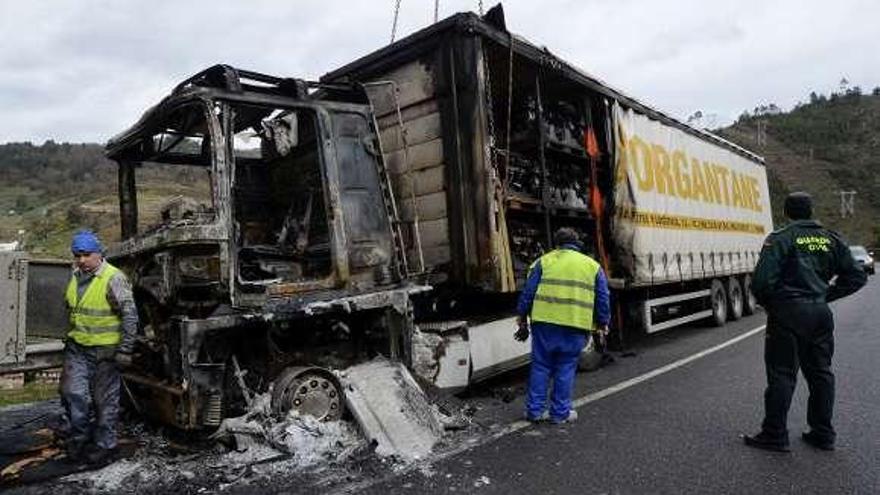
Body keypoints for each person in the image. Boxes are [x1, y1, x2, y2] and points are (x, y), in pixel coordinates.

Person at [743, 192, 866, 452]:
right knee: (821, 373)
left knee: (782, 374)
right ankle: (823, 433)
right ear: (811, 211)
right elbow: (857, 276)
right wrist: (825, 295)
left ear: (787, 212)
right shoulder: (832, 239)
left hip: (788, 314)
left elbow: (761, 282)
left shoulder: (781, 238)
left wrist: (774, 305)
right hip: (820, 314)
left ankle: (774, 434)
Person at [59, 230, 139, 464]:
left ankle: (106, 446)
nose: (81, 260)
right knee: (74, 395)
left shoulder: (113, 278)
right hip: (77, 349)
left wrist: (125, 349)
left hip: (105, 353)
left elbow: (130, 316)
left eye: (85, 255)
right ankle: (79, 440)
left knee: (105, 402)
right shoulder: (75, 276)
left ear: (98, 254)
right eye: (77, 255)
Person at [515, 227, 611, 424]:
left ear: (557, 244)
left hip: (544, 324)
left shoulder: (544, 262)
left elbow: (528, 293)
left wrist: (522, 318)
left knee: (541, 366)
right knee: (565, 368)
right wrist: (602, 324)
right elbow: (602, 299)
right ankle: (560, 413)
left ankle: (534, 412)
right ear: (577, 244)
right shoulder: (592, 266)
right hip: (575, 324)